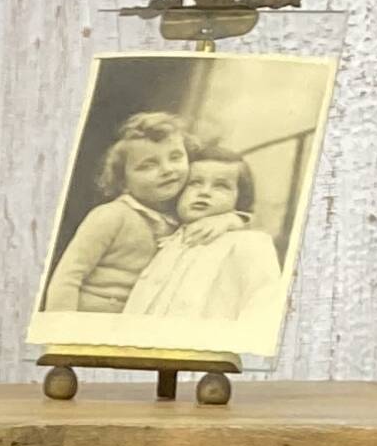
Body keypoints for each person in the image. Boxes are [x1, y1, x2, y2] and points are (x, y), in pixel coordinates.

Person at [118, 148, 285, 346]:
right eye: (194, 183)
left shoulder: (249, 243)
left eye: (221, 186)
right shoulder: (166, 240)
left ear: (239, 200)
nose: (204, 192)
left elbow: (262, 312)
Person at [42, 112, 190, 316]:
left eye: (176, 157)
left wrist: (231, 218)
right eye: (148, 165)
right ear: (122, 182)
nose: (167, 170)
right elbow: (68, 277)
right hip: (90, 323)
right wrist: (62, 333)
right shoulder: (112, 216)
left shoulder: (183, 217)